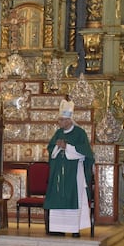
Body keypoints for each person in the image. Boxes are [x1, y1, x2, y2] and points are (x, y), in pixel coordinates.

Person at [44, 98, 94, 236]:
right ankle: (58, 228)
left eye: (62, 120)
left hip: (74, 174)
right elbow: (51, 150)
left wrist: (68, 147)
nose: (59, 123)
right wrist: (56, 147)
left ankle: (74, 229)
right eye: (59, 120)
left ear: (69, 120)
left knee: (74, 198)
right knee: (58, 198)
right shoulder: (58, 133)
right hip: (59, 174)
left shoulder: (79, 133)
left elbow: (86, 152)